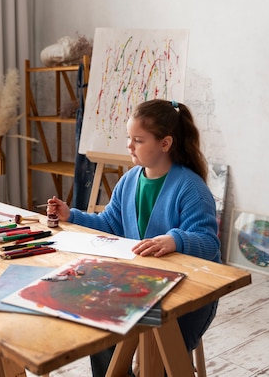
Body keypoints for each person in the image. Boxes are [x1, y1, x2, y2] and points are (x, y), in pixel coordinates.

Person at [47, 99, 221, 377]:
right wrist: (72, 216)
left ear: (165, 144)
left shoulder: (191, 189)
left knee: (162, 354)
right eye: (129, 138)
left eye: (138, 140)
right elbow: (109, 224)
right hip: (139, 286)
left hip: (188, 297)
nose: (129, 146)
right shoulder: (129, 181)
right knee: (98, 328)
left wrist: (175, 240)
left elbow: (209, 243)